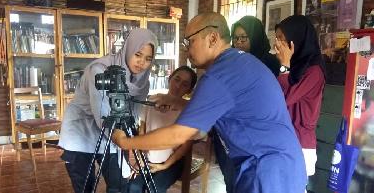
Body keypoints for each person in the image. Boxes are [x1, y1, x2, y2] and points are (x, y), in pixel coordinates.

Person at [113, 12, 307, 193]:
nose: (187, 49)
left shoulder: (220, 75)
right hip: (277, 164)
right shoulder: (238, 62)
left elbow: (179, 135)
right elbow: (223, 108)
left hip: (267, 170)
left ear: (212, 38)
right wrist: (175, 101)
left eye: (189, 41)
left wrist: (125, 142)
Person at [58, 28, 157, 193]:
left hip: (113, 132)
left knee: (119, 185)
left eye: (148, 59)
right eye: (138, 55)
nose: (142, 63)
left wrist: (132, 138)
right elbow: (102, 113)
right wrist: (125, 142)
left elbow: (133, 113)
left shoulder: (142, 81)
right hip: (82, 131)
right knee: (84, 186)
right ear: (128, 49)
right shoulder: (100, 70)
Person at [213, 15, 282, 193]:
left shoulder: (270, 63)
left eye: (244, 37)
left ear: (255, 36)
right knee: (231, 179)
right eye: (236, 38)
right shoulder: (231, 62)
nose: (239, 42)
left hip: (255, 133)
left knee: (251, 181)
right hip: (230, 131)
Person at [128, 66, 198, 193]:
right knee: (133, 187)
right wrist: (140, 155)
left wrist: (165, 165)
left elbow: (186, 145)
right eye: (177, 79)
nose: (178, 86)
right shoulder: (152, 100)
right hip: (148, 157)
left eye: (185, 84)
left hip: (172, 162)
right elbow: (142, 130)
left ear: (189, 90)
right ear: (169, 78)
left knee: (154, 189)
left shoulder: (189, 110)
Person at [274, 15, 326, 184]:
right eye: (277, 39)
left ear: (296, 39)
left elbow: (284, 98)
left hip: (300, 143)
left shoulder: (314, 71)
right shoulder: (295, 66)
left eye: (282, 39)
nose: (277, 45)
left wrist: (284, 65)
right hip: (286, 138)